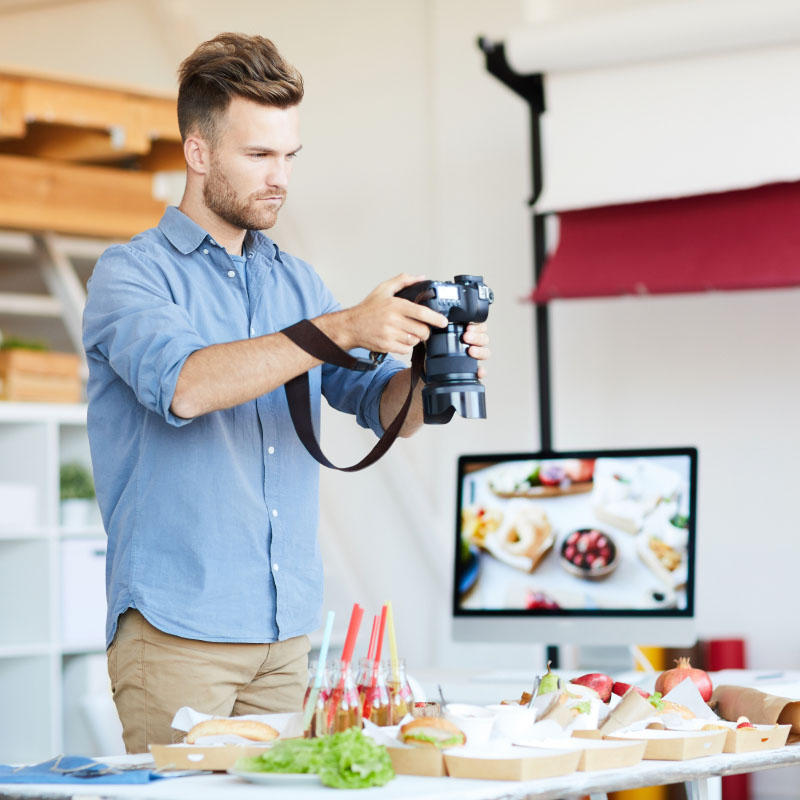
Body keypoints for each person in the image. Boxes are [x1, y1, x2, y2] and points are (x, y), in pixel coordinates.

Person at [83, 32, 490, 753]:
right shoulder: (131, 276)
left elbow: (377, 408)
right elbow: (187, 386)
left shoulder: (295, 282)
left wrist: (428, 376)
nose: (280, 178)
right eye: (258, 155)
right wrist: (342, 325)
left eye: (289, 155)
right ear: (198, 152)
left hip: (288, 636)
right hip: (180, 637)